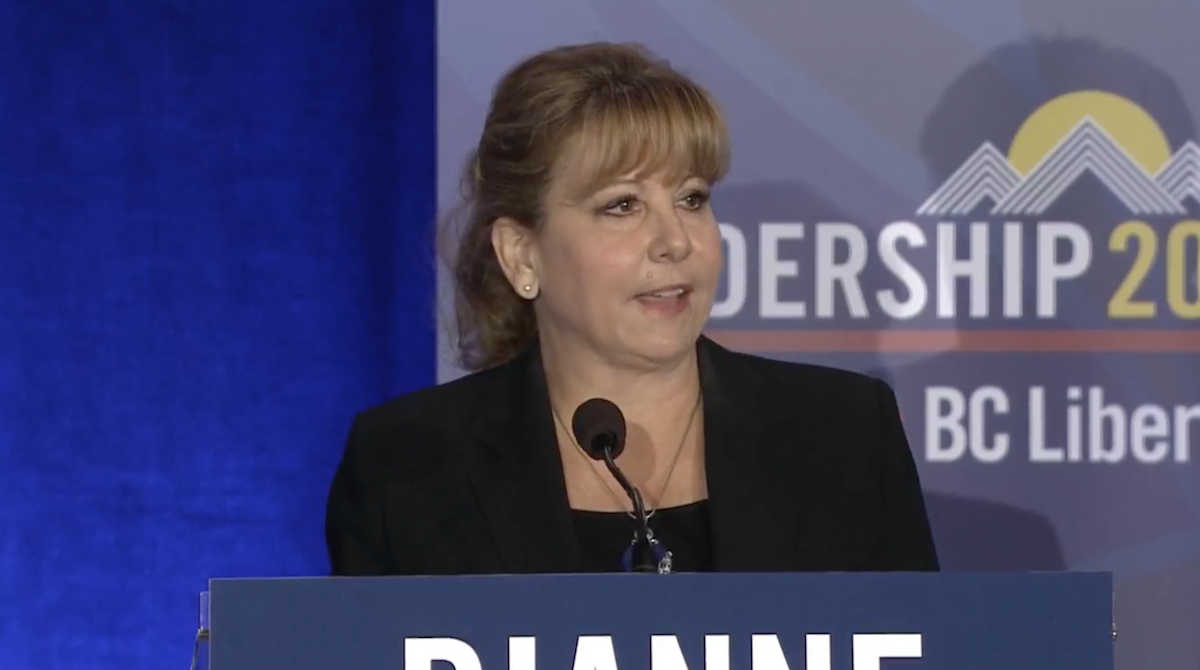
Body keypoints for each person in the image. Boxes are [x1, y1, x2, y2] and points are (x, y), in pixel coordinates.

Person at [324, 41, 940, 576]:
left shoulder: (845, 436)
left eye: (692, 198)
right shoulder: (406, 463)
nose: (676, 241)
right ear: (522, 255)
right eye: (622, 205)